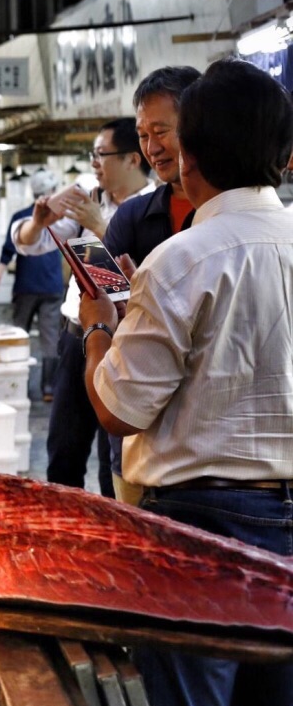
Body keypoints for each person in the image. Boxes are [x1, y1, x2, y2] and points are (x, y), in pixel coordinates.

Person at [80, 59, 293, 706]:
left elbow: (120, 410)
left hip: (192, 533)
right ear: (284, 156)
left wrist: (98, 328)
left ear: (191, 156)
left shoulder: (181, 259)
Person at [12, 118, 152, 498]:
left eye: (100, 154)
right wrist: (37, 223)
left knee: (116, 456)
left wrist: (100, 224)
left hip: (126, 343)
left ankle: (114, 536)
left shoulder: (154, 209)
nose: (93, 163)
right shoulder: (88, 198)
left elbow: (147, 273)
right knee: (64, 448)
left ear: (131, 160)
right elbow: (30, 242)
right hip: (76, 340)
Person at [101, 65, 201, 505]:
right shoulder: (131, 218)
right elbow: (98, 300)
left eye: (161, 130)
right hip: (141, 439)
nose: (151, 147)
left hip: (206, 446)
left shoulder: (226, 224)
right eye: (143, 134)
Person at [0, 169, 65, 401]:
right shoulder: (60, 219)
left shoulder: (22, 217)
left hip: (26, 287)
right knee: (51, 339)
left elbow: (7, 251)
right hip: (52, 286)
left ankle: (17, 385)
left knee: (19, 335)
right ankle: (49, 389)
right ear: (50, 191)